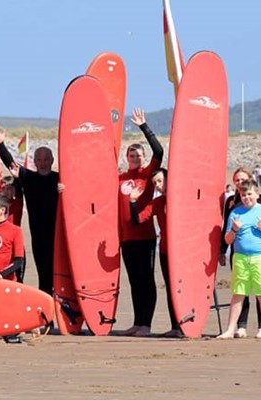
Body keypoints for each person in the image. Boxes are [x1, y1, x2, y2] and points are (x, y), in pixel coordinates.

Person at [0, 125, 59, 296]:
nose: (43, 163)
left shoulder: (60, 179)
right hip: (39, 238)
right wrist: (0, 144)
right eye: (39, 160)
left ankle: (68, 319)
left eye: (46, 160)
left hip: (59, 237)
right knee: (44, 278)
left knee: (61, 278)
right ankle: (48, 319)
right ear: (35, 162)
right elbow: (11, 164)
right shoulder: (29, 178)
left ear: (52, 161)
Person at [117, 108, 165, 337]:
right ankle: (137, 322)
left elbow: (159, 150)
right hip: (126, 238)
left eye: (138, 156)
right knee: (135, 281)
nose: (135, 159)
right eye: (132, 155)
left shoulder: (147, 175)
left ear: (144, 158)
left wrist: (144, 127)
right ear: (127, 158)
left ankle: (147, 324)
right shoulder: (120, 179)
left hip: (145, 236)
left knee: (147, 280)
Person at [218, 179, 261, 340]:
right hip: (240, 258)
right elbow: (227, 239)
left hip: (260, 257)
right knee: (238, 294)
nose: (246, 197)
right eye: (243, 194)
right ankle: (229, 330)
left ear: (257, 194)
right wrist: (234, 229)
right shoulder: (235, 212)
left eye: (249, 194)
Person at [127, 168, 181, 338]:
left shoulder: (181, 199)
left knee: (180, 288)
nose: (158, 185)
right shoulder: (157, 203)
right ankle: (175, 326)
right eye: (155, 183)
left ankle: (184, 324)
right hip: (165, 251)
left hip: (182, 252)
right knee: (170, 289)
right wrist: (133, 202)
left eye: (160, 181)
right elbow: (138, 220)